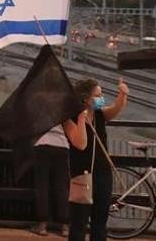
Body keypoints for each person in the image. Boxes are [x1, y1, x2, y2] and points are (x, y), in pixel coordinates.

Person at [68, 77, 128, 241]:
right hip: (82, 174)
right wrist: (81, 119)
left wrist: (122, 95)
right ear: (85, 99)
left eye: (101, 94)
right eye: (97, 95)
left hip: (103, 172)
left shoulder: (100, 114)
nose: (100, 99)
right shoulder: (70, 118)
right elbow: (80, 143)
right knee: (79, 222)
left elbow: (114, 110)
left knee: (100, 220)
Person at [31, 105, 90, 236]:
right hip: (61, 146)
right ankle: (65, 227)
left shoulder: (36, 102)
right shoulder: (63, 105)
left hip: (41, 144)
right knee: (62, 186)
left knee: (42, 186)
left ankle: (42, 226)